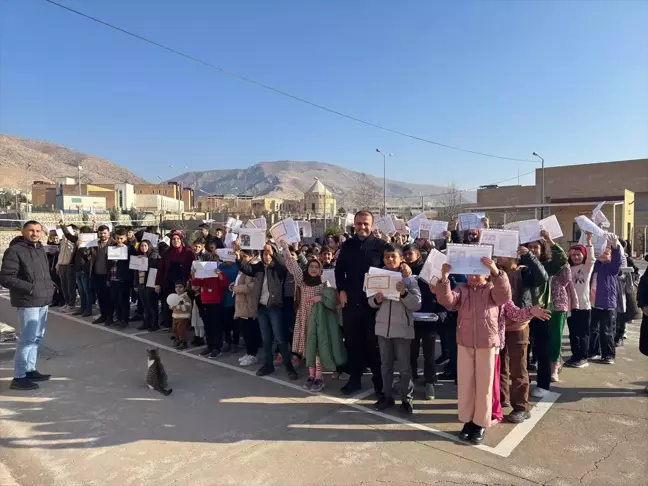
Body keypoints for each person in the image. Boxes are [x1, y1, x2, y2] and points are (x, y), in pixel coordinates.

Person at [435, 257, 511, 445]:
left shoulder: (493, 290)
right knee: (466, 384)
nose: (474, 277)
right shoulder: (462, 290)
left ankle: (480, 423)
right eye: (470, 273)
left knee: (484, 386)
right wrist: (444, 278)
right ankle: (468, 421)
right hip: (465, 342)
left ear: (486, 274)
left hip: (487, 343)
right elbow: (447, 301)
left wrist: (497, 272)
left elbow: (505, 296)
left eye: (478, 273)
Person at [335, 210, 388, 396]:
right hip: (351, 303)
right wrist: (340, 289)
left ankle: (379, 382)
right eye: (359, 223)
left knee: (373, 345)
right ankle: (354, 379)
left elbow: (392, 268)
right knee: (353, 343)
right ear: (354, 225)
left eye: (366, 223)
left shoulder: (382, 246)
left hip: (374, 305)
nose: (362, 227)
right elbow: (339, 270)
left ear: (371, 225)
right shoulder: (347, 245)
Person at [0, 221, 55, 390]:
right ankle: (19, 377)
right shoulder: (15, 251)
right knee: (27, 339)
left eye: (38, 230)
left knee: (37, 338)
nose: (35, 233)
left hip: (42, 301)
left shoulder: (39, 249)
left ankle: (30, 369)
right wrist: (30, 289)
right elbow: (6, 278)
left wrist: (51, 286)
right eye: (31, 230)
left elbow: (44, 274)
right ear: (23, 231)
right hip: (28, 301)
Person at [496, 245, 547, 423]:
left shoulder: (524, 272)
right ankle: (501, 400)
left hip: (519, 324)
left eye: (502, 254)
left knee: (518, 368)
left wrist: (529, 256)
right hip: (499, 325)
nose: (499, 257)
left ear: (513, 257)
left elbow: (542, 277)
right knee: (500, 366)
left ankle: (522, 407)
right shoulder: (496, 272)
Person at [370, 245, 422, 414]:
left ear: (401, 259)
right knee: (385, 365)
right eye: (387, 257)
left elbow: (417, 304)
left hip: (402, 329)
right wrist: (377, 300)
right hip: (383, 329)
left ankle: (407, 399)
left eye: (394, 256)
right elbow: (370, 301)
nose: (390, 260)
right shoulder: (378, 276)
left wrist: (404, 292)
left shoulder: (409, 279)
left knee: (404, 367)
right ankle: (387, 396)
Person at [237, 243, 298, 380]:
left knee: (280, 338)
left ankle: (289, 366)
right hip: (261, 307)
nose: (267, 256)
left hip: (275, 307)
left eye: (270, 253)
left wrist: (274, 253)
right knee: (266, 338)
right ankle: (268, 365)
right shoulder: (258, 267)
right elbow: (245, 268)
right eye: (265, 253)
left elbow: (284, 266)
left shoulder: (278, 268)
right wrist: (237, 255)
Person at [281, 240, 331, 391]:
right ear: (307, 268)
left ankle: (319, 377)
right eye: (311, 267)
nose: (314, 269)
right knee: (308, 349)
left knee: (316, 350)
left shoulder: (324, 283)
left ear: (320, 270)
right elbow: (293, 265)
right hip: (304, 317)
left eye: (317, 267)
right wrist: (286, 249)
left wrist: (321, 298)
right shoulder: (302, 281)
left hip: (318, 320)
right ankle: (311, 375)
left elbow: (332, 300)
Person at [525, 230, 568, 398]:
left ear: (542, 250)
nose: (533, 250)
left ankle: (543, 384)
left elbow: (563, 259)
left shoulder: (547, 264)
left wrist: (550, 240)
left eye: (536, 247)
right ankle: (523, 381)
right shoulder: (522, 263)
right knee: (524, 349)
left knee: (542, 350)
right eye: (530, 247)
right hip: (523, 312)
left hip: (543, 312)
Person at [403, 243, 446, 400]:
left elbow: (441, 291)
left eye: (410, 254)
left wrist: (440, 313)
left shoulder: (429, 269)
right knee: (411, 353)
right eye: (405, 254)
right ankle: (411, 379)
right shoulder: (402, 271)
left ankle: (430, 382)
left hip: (429, 319)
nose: (407, 257)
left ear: (418, 254)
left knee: (429, 354)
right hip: (410, 319)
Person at [589, 234, 623, 365]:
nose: (604, 254)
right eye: (603, 252)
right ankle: (594, 350)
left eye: (607, 253)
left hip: (607, 304)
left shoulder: (611, 267)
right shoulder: (596, 266)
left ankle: (608, 355)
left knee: (607, 331)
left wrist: (614, 247)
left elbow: (617, 261)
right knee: (593, 329)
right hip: (593, 304)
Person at [155, 231, 196, 328]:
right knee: (170, 303)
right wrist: (158, 283)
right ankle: (171, 325)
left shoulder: (188, 252)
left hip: (184, 283)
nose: (176, 241)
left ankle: (184, 326)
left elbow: (194, 268)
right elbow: (161, 269)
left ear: (181, 240)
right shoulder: (167, 253)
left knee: (183, 304)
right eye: (173, 239)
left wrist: (190, 281)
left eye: (178, 239)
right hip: (169, 283)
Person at [566, 233, 595, 368]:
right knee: (573, 333)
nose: (576, 257)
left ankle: (583, 357)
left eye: (579, 254)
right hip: (571, 307)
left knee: (583, 334)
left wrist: (589, 242)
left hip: (584, 306)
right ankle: (575, 355)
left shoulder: (586, 268)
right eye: (573, 255)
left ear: (584, 255)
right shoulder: (568, 269)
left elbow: (591, 259)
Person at [232, 250, 264, 367]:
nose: (242, 258)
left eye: (244, 256)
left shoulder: (256, 268)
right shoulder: (243, 268)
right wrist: (233, 286)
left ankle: (253, 354)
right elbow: (238, 282)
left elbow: (254, 286)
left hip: (250, 303)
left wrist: (238, 288)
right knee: (245, 330)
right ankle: (249, 352)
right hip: (241, 304)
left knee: (251, 331)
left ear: (253, 256)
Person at [192, 260, 230, 358]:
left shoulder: (219, 273)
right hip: (205, 302)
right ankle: (210, 346)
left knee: (216, 326)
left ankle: (217, 348)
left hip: (216, 303)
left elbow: (225, 284)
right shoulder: (202, 275)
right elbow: (195, 284)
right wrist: (194, 273)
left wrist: (219, 274)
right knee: (207, 326)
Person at [108, 228, 136, 328]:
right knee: (115, 299)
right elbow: (108, 263)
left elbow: (134, 260)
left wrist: (125, 249)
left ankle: (125, 319)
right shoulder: (112, 248)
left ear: (125, 238)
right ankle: (119, 318)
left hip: (123, 279)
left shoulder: (130, 248)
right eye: (117, 238)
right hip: (113, 277)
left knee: (124, 300)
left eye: (121, 238)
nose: (119, 240)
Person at [90, 225, 115, 325]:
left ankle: (110, 317)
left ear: (109, 233)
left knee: (109, 297)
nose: (102, 235)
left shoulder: (114, 243)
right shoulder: (94, 243)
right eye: (100, 233)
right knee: (100, 297)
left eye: (104, 233)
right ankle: (103, 315)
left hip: (108, 275)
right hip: (97, 274)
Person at [134, 239, 160, 331]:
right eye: (141, 246)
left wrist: (145, 261)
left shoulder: (154, 256)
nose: (143, 247)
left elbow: (155, 270)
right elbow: (135, 272)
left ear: (149, 246)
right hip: (141, 284)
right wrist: (136, 284)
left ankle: (154, 324)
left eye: (145, 245)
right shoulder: (138, 257)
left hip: (150, 284)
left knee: (152, 305)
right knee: (145, 305)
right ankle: (146, 322)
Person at [219, 257, 240, 352]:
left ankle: (235, 343)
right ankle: (227, 341)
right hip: (223, 299)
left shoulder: (238, 266)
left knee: (236, 323)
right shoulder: (220, 267)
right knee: (224, 322)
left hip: (236, 299)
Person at [56, 222, 78, 312]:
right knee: (63, 285)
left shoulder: (74, 241)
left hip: (69, 265)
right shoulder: (62, 241)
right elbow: (60, 253)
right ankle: (67, 302)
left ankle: (71, 303)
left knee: (70, 285)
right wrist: (57, 264)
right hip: (61, 264)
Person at [170, 280, 192, 350]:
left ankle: (183, 342)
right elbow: (171, 305)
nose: (178, 289)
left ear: (185, 288)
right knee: (175, 328)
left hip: (183, 317)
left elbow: (186, 307)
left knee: (181, 329)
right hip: (175, 316)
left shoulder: (185, 297)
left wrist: (180, 305)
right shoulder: (175, 296)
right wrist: (172, 306)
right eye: (176, 287)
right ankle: (177, 339)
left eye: (180, 287)